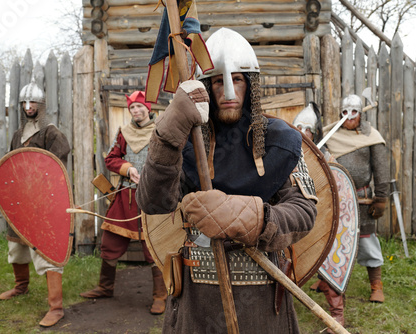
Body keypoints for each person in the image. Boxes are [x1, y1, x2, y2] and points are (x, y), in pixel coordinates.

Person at [136, 27, 318, 333]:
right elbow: (154, 201)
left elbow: (304, 212)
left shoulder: (278, 140)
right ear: (207, 87)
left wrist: (245, 216)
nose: (228, 91)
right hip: (198, 290)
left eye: (237, 79)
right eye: (219, 81)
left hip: (262, 288)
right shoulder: (191, 144)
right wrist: (168, 136)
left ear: (251, 86)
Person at [80, 91, 167, 315]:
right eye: (132, 108)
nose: (136, 111)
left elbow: (172, 159)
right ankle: (105, 287)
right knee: (110, 241)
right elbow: (111, 159)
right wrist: (129, 169)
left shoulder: (161, 130)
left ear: (148, 108)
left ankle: (160, 295)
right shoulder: (123, 133)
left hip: (152, 199)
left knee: (153, 246)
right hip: (126, 197)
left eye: (139, 107)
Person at [0, 81, 70, 327]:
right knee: (16, 249)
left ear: (41, 105)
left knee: (45, 252)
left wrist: (39, 185)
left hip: (42, 203)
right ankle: (21, 286)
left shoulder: (50, 132)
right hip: (20, 202)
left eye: (33, 103)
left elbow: (57, 165)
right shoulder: (18, 135)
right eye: (24, 103)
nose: (28, 107)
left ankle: (56, 307)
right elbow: (11, 163)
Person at [323, 94, 389, 304]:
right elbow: (319, 153)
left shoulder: (372, 137)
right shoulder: (331, 134)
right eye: (345, 112)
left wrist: (381, 198)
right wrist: (325, 152)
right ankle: (325, 280)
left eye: (353, 113)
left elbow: (381, 169)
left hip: (361, 199)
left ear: (361, 114)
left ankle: (376, 286)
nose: (349, 117)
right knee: (330, 240)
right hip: (336, 198)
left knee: (367, 241)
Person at [295, 103, 345, 332]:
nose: (303, 132)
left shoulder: (325, 156)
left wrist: (329, 165)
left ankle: (337, 316)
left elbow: (336, 191)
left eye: (307, 128)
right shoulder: (285, 151)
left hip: (321, 220)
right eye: (298, 127)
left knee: (330, 259)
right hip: (293, 218)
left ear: (314, 134)